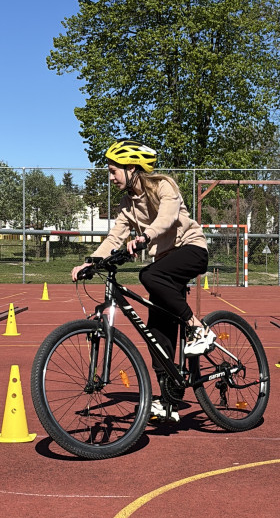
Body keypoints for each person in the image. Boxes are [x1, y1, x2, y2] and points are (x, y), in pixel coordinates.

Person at [71, 139, 215, 422]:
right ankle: (169, 401)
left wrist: (146, 236)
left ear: (132, 167)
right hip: (165, 264)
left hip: (191, 250)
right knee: (156, 334)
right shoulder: (127, 204)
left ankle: (198, 328)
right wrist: (89, 262)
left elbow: (167, 218)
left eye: (114, 171)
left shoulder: (165, 185)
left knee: (148, 274)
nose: (111, 177)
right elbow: (115, 237)